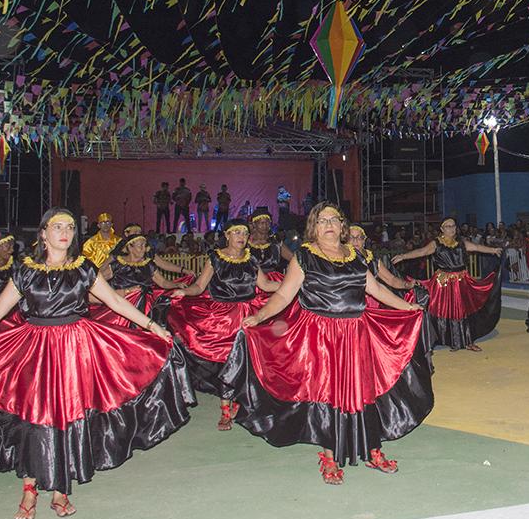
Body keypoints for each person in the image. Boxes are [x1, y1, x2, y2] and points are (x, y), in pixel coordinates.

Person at [0, 209, 193, 519]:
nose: (65, 231)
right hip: (36, 348)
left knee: (69, 415)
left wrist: (153, 327)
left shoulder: (84, 269)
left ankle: (61, 489)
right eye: (57, 226)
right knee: (36, 416)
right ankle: (30, 488)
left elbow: (115, 302)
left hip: (77, 347)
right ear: (43, 234)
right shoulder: (25, 271)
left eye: (70, 227)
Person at [222, 203, 432, 484]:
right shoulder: (304, 257)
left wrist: (405, 309)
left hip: (356, 332)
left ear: (342, 225)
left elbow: (377, 289)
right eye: (322, 220)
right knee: (329, 396)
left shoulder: (355, 256)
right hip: (322, 337)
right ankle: (330, 456)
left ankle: (372, 450)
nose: (329, 224)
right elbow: (284, 296)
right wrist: (259, 316)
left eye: (334, 219)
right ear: (314, 227)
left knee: (363, 392)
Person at [166, 218, 283, 430]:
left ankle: (243, 402)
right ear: (227, 235)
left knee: (248, 361)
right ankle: (225, 410)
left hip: (249, 315)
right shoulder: (215, 259)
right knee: (227, 362)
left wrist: (290, 285)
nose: (242, 236)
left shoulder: (251, 260)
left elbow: (265, 284)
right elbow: (200, 286)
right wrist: (184, 291)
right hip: (222, 318)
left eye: (245, 233)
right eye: (237, 232)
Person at [391, 217, 503, 352]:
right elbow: (422, 252)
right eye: (448, 226)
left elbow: (477, 247)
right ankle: (452, 340)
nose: (452, 228)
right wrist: (403, 256)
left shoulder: (461, 242)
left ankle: (467, 341)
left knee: (463, 311)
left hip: (461, 281)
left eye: (453, 226)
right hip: (443, 284)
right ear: (442, 229)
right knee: (445, 310)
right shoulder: (436, 243)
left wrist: (493, 250)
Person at [89, 232, 183, 327]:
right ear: (130, 247)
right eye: (140, 245)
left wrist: (176, 284)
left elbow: (163, 282)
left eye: (144, 245)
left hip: (146, 305)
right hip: (124, 304)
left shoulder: (148, 264)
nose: (143, 248)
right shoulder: (118, 264)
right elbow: (97, 281)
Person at [246, 207, 294, 277]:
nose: (265, 226)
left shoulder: (275, 241)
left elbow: (292, 258)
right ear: (254, 224)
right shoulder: (246, 243)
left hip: (273, 278)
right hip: (252, 279)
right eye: (261, 223)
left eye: (267, 222)